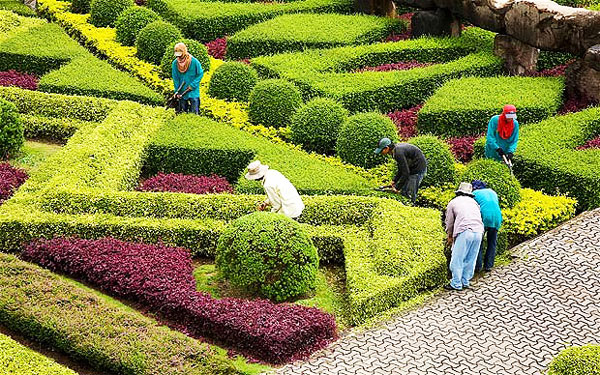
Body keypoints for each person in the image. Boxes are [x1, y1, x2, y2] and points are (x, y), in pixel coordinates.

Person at [444, 182, 484, 291]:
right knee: (471, 258)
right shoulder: (474, 203)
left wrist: (450, 235)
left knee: (457, 258)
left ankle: (456, 283)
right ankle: (465, 281)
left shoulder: (453, 202)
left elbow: (449, 222)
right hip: (479, 231)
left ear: (459, 192)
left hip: (465, 231)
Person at [374, 137, 427, 204]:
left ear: (387, 148)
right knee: (404, 191)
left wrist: (397, 187)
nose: (381, 153)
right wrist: (394, 181)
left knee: (409, 192)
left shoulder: (398, 153)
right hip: (411, 166)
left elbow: (406, 172)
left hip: (417, 168)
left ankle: (411, 207)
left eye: (381, 150)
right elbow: (401, 168)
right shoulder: (395, 151)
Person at [471, 180, 502, 273]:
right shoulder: (492, 192)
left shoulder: (474, 193)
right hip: (497, 218)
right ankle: (488, 266)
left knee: (478, 242)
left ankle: (478, 266)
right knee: (492, 242)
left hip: (484, 217)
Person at [171, 42, 204, 115]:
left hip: (193, 91)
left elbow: (200, 74)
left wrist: (193, 85)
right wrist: (177, 91)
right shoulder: (175, 63)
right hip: (182, 92)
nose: (178, 57)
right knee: (182, 113)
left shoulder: (194, 61)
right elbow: (175, 78)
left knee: (194, 113)